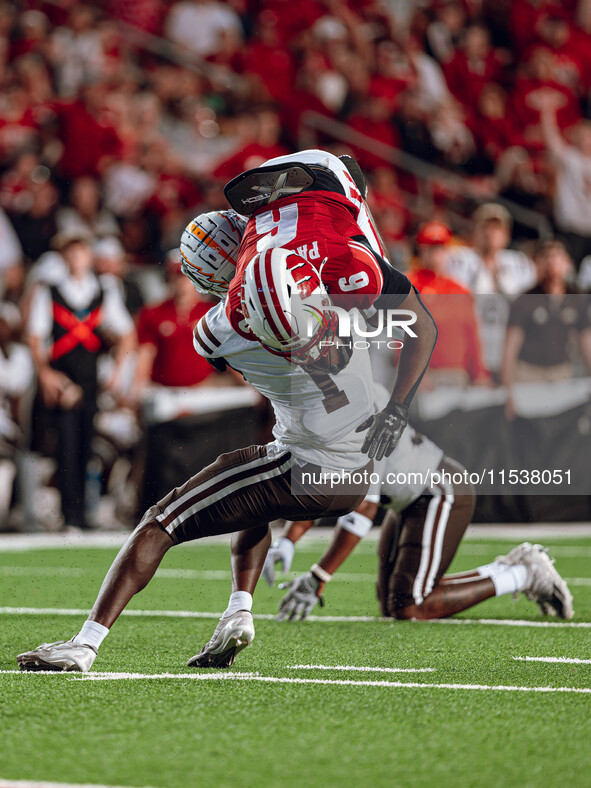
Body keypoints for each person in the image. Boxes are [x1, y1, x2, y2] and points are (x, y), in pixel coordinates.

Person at [17, 148, 438, 671]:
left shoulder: (214, 333)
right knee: (253, 486)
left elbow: (238, 338)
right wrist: (397, 409)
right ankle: (238, 611)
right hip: (356, 465)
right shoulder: (341, 267)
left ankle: (85, 644)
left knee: (160, 521)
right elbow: (421, 325)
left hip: (311, 466)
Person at [263, 392, 573, 623]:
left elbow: (362, 513)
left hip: (437, 491)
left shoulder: (356, 413)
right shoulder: (328, 406)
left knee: (410, 605)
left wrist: (319, 577)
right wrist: (289, 539)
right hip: (407, 501)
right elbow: (322, 489)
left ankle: (523, 574)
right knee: (391, 602)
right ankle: (514, 570)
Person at [26, 229, 135, 530]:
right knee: (65, 444)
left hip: (90, 378)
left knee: (87, 444)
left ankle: (84, 512)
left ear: (89, 256)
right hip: (62, 377)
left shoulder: (104, 290)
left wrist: (115, 373)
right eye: (70, 253)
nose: (76, 258)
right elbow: (35, 337)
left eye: (81, 252)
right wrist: (46, 375)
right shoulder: (50, 291)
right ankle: (68, 514)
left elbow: (126, 333)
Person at [501, 240, 591, 420]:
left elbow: (586, 344)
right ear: (538, 263)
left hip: (560, 371)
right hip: (528, 372)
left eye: (557, 256)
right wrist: (507, 391)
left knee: (561, 423)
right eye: (546, 257)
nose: (552, 263)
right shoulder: (525, 300)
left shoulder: (576, 300)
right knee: (528, 423)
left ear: (568, 263)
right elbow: (510, 348)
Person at [446, 203, 536, 376]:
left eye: (497, 228)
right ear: (474, 231)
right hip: (472, 344)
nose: (490, 233)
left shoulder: (520, 263)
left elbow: (524, 305)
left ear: (506, 234)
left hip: (508, 344)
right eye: (485, 227)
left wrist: (501, 279)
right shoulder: (459, 259)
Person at [408, 221, 490, 388]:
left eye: (440, 247)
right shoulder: (408, 284)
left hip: (456, 374)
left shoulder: (460, 290)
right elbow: (399, 334)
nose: (435, 253)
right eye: (430, 247)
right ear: (421, 249)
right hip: (423, 376)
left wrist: (480, 374)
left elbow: (472, 335)